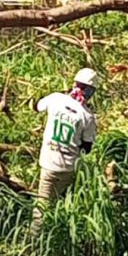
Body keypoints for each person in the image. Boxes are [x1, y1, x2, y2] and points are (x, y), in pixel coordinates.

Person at [30, 68, 100, 232]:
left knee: (42, 205)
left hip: (48, 164)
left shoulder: (55, 99)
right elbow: (87, 147)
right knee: (62, 200)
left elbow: (37, 106)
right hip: (69, 168)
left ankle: (34, 238)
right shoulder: (88, 116)